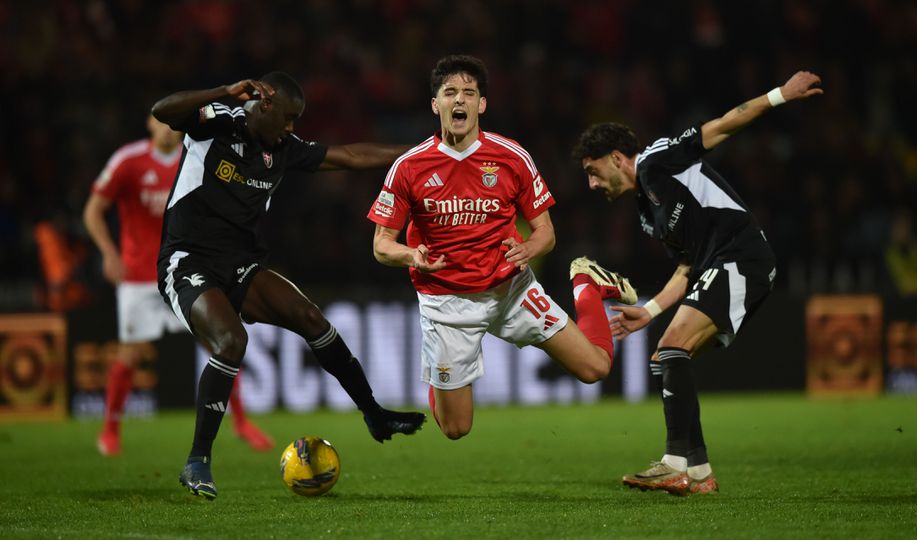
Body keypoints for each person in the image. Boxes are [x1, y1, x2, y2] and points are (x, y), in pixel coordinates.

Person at [151, 72, 426, 500]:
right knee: (230, 341)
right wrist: (224, 91)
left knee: (311, 318)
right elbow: (163, 110)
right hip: (187, 259)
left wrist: (425, 153)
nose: (292, 128)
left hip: (242, 264)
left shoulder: (283, 149)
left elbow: (352, 155)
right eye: (289, 118)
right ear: (264, 107)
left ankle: (373, 413)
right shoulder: (218, 121)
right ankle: (197, 460)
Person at [571, 71, 823, 495]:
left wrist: (781, 94)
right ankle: (700, 473)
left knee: (672, 349)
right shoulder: (646, 212)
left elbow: (722, 125)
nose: (592, 185)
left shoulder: (656, 160)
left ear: (617, 158)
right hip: (718, 264)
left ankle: (673, 462)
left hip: (742, 257)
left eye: (593, 173)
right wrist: (649, 311)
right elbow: (687, 266)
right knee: (664, 357)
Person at [367, 55, 635, 441]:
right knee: (456, 429)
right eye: (450, 93)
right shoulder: (410, 167)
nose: (460, 100)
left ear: (482, 104)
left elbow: (546, 232)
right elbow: (380, 245)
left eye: (469, 93)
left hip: (511, 290)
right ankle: (442, 376)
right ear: (435, 104)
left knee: (595, 369)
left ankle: (586, 282)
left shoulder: (512, 157)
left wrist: (528, 249)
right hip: (447, 304)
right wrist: (411, 255)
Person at [83, 115, 273, 456]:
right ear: (149, 124)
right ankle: (110, 430)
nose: (169, 128)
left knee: (222, 342)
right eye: (163, 122)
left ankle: (242, 423)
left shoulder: (198, 155)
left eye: (174, 123)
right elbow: (93, 210)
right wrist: (109, 254)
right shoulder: (129, 160)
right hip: (139, 276)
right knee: (131, 353)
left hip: (187, 269)